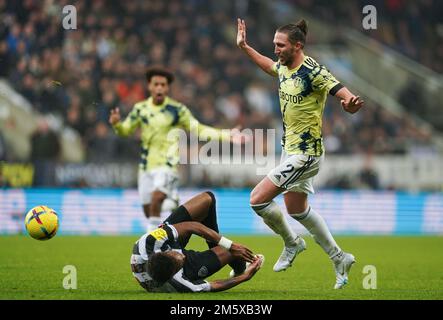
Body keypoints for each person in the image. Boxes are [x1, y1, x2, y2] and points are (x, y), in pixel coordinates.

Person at [237, 18, 364, 289]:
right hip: (290, 150)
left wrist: (349, 103)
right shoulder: (283, 66)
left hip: (306, 153)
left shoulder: (313, 71)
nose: (276, 50)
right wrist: (245, 47)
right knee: (297, 209)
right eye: (274, 44)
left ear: (297, 46)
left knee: (257, 200)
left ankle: (292, 243)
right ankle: (340, 257)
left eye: (280, 45)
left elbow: (342, 92)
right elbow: (269, 66)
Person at [109, 67, 245, 232]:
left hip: (168, 164)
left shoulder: (177, 110)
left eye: (163, 85)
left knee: (156, 199)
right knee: (149, 210)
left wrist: (227, 135)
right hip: (146, 167)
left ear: (167, 88)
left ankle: (151, 246)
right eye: (156, 84)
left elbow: (198, 129)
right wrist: (117, 124)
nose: (159, 88)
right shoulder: (140, 109)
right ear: (150, 87)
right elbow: (126, 130)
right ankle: (172, 204)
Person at [130, 191, 264, 293]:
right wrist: (245, 276)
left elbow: (191, 226)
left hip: (165, 246)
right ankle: (239, 268)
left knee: (207, 199)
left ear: (163, 252)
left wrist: (230, 244)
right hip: (180, 271)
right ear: (174, 272)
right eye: (181, 261)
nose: (183, 255)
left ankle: (220, 249)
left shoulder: (150, 241)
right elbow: (214, 285)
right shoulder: (179, 282)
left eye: (177, 255)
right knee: (228, 252)